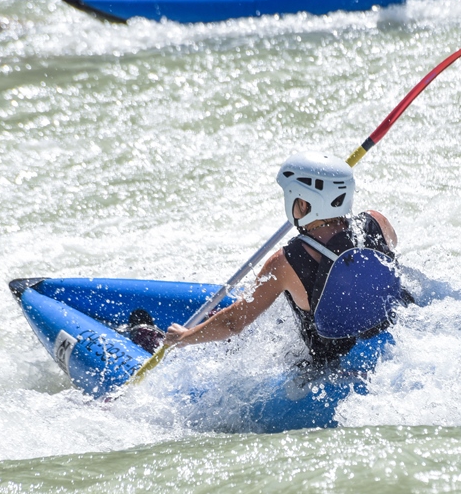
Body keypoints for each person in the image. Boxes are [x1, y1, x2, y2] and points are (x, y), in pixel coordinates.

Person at [164, 152, 407, 365]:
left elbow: (233, 323)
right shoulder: (376, 221)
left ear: (302, 203)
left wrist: (185, 337)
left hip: (334, 368)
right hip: (396, 337)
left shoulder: (286, 262)